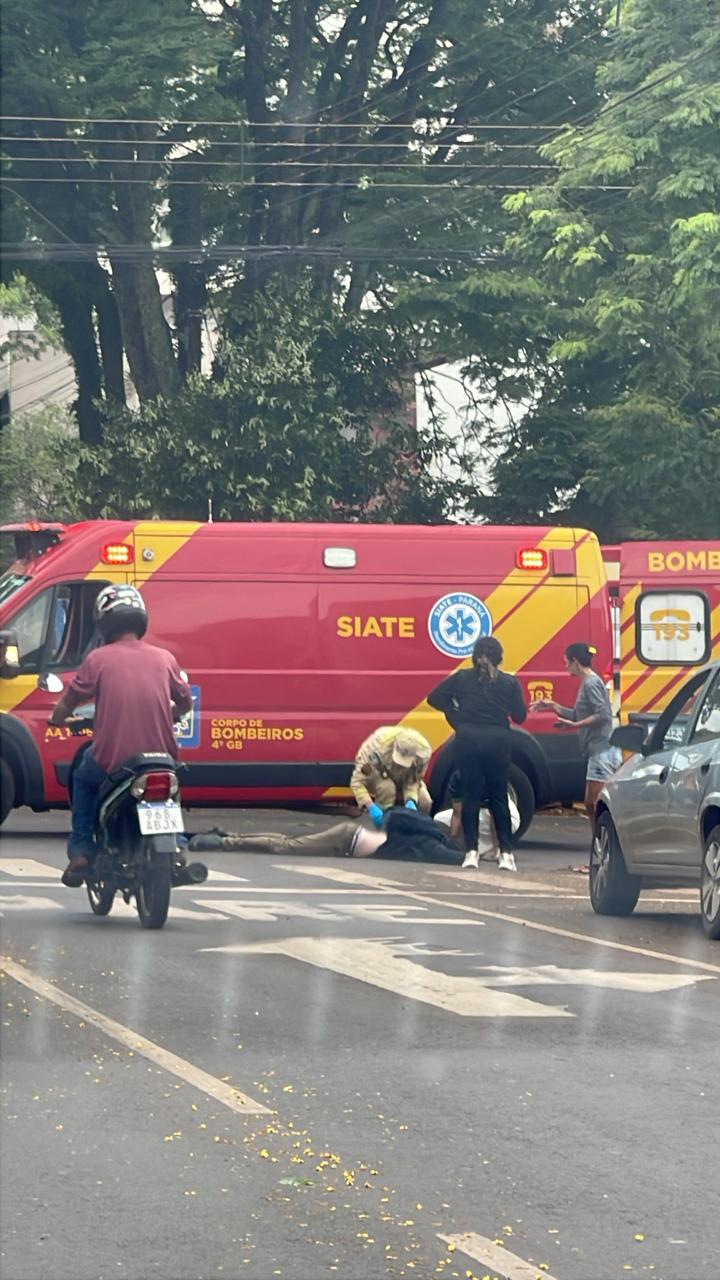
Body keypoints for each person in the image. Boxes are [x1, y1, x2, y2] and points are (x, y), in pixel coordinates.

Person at [49, 584, 192, 888]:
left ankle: (81, 850)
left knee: (83, 778)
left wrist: (57, 719)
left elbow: (69, 702)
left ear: (103, 621)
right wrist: (173, 713)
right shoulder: (165, 658)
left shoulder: (98, 659)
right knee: (171, 787)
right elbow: (185, 703)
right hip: (162, 759)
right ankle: (178, 844)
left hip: (114, 762)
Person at [427, 636, 527, 872]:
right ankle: (506, 854)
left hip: (468, 741)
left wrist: (457, 717)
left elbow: (434, 698)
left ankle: (471, 853)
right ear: (499, 658)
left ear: (474, 657)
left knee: (470, 796)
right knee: (499, 797)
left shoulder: (461, 678)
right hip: (498, 743)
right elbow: (520, 716)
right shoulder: (509, 683)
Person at [535, 641, 620, 836]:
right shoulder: (588, 683)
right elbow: (578, 715)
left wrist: (575, 725)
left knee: (594, 803)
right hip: (597, 749)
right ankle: (599, 843)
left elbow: (603, 715)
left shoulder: (591, 683)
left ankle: (603, 843)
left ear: (575, 661)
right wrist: (553, 706)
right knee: (591, 803)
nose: (566, 667)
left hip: (601, 749)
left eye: (567, 663)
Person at [188, 806, 461, 863]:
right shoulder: (431, 843)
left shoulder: (425, 831)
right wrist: (471, 855)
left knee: (286, 842)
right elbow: (452, 859)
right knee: (286, 847)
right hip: (345, 841)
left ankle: (228, 834)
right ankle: (226, 842)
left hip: (349, 837)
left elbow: (395, 815)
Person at [350, 725, 432, 827]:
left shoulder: (423, 754)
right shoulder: (376, 749)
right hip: (381, 772)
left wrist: (411, 800)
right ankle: (385, 826)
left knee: (425, 801)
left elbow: (413, 780)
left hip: (405, 777)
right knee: (387, 789)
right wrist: (370, 806)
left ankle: (420, 829)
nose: (401, 765)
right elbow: (357, 782)